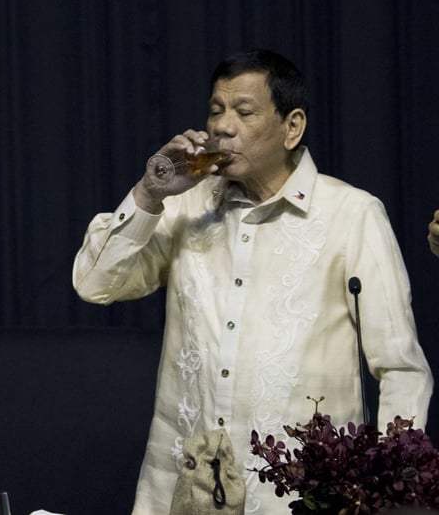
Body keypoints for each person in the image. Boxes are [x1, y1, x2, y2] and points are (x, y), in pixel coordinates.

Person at [72, 49, 433, 514]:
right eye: (216, 110)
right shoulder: (185, 204)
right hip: (181, 492)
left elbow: (401, 369)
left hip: (302, 496)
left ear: (292, 126)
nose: (223, 126)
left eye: (243, 112)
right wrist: (149, 193)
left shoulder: (352, 215)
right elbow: (95, 284)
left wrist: (390, 489)